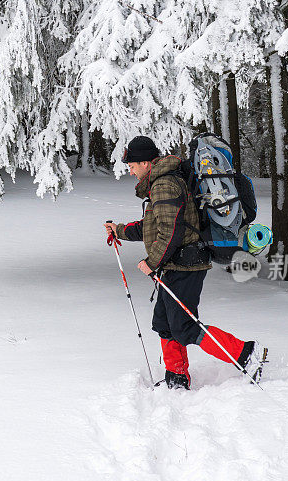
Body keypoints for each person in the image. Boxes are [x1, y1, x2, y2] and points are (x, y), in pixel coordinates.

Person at [104, 135, 259, 390]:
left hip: (187, 263)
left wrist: (151, 263)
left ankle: (245, 354)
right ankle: (176, 377)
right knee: (164, 323)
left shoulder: (164, 184)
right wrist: (119, 230)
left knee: (185, 326)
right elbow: (153, 226)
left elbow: (171, 231)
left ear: (145, 162)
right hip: (176, 263)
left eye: (132, 166)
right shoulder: (161, 182)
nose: (131, 172)